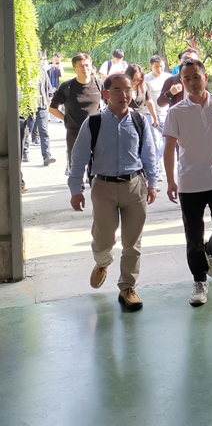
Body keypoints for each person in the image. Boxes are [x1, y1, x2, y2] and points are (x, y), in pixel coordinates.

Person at [68, 73, 159, 310]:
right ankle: (102, 262)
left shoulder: (139, 121)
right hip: (103, 187)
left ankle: (127, 287)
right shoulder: (94, 123)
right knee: (103, 238)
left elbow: (149, 155)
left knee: (133, 242)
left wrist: (152, 183)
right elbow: (78, 158)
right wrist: (75, 189)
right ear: (106, 94)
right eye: (117, 90)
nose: (124, 95)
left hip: (134, 186)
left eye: (128, 89)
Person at [163, 59, 212, 306]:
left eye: (195, 77)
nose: (192, 83)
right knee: (193, 236)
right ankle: (199, 281)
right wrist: (170, 181)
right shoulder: (176, 112)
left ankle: (211, 252)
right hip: (190, 184)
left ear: (205, 77)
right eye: (186, 79)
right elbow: (169, 148)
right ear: (181, 82)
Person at [49, 53, 103, 171]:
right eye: (81, 66)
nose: (85, 68)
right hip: (75, 133)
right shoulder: (67, 87)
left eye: (87, 65)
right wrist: (66, 119)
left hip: (96, 133)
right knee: (76, 168)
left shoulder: (99, 84)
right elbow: (52, 108)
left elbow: (110, 103)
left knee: (97, 168)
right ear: (74, 69)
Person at [24, 61, 56, 166]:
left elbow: (48, 84)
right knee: (26, 130)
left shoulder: (42, 70)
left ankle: (47, 156)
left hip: (41, 105)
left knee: (44, 131)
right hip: (28, 106)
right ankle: (25, 152)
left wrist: (50, 95)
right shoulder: (24, 71)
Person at [145, 56, 172, 176]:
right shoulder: (146, 79)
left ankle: (155, 162)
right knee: (155, 142)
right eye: (156, 67)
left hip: (166, 114)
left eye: (161, 66)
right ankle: (156, 170)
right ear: (151, 66)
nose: (159, 69)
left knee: (169, 142)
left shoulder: (168, 78)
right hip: (151, 114)